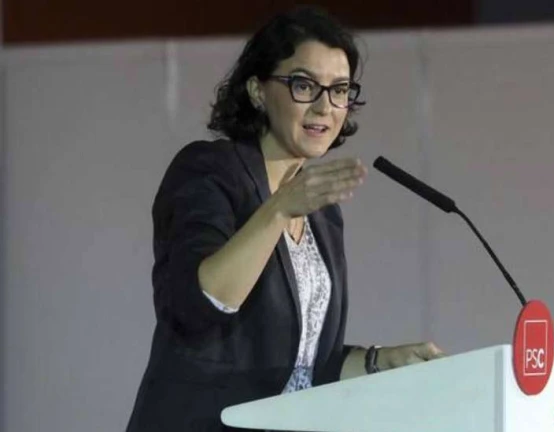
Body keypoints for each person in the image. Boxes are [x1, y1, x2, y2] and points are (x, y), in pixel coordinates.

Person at [126, 7, 443, 431]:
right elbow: (199, 304)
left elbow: (308, 367)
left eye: (339, 90)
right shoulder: (209, 172)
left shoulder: (322, 212)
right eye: (304, 85)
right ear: (258, 91)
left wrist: (379, 360)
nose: (325, 106)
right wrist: (278, 210)